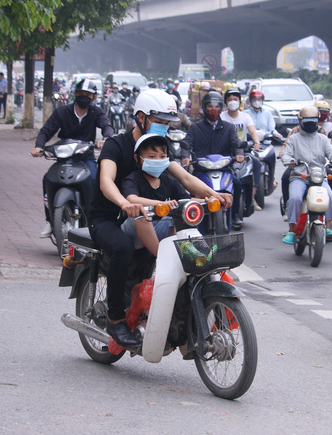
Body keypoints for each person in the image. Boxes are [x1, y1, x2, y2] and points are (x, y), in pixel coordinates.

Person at [88, 89, 231, 347]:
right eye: (161, 122)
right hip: (108, 218)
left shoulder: (158, 151)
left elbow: (186, 179)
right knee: (121, 247)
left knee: (187, 240)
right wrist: (123, 203)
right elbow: (106, 181)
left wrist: (214, 194)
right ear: (141, 117)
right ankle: (116, 318)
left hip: (149, 219)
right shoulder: (116, 146)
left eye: (168, 123)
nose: (165, 128)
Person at [31, 79, 113, 238]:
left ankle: (96, 218)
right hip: (64, 158)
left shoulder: (97, 112)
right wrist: (39, 146)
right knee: (47, 179)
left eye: (88, 94)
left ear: (94, 97)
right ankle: (50, 221)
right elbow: (46, 131)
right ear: (75, 94)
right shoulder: (62, 112)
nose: (84, 97)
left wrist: (106, 138)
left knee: (95, 178)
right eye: (81, 93)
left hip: (86, 158)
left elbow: (107, 126)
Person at [121, 134, 197, 257]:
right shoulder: (133, 179)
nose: (157, 160)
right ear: (138, 158)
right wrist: (161, 204)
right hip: (133, 233)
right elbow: (132, 199)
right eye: (152, 156)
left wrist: (207, 199)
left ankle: (182, 253)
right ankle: (162, 258)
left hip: (159, 228)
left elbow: (186, 200)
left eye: (162, 156)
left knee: (180, 214)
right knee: (141, 216)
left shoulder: (169, 180)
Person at [181, 91, 245, 228]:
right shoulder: (195, 127)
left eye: (217, 106)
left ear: (221, 108)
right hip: (201, 170)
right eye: (210, 106)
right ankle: (193, 215)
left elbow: (236, 143)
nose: (213, 110)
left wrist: (239, 154)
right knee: (190, 189)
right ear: (204, 108)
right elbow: (187, 144)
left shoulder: (228, 127)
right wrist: (185, 157)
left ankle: (234, 216)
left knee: (238, 184)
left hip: (224, 169)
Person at [281, 106, 332, 244]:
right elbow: (286, 155)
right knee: (295, 198)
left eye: (313, 121)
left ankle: (327, 227)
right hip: (300, 176)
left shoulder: (322, 139)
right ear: (301, 122)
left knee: (329, 195)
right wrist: (290, 161)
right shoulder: (294, 139)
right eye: (307, 122)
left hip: (319, 176)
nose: (310, 125)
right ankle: (292, 230)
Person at [221, 88, 263, 212]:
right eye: (230, 100)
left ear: (240, 102)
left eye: (235, 99)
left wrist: (256, 142)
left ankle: (252, 196)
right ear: (225, 103)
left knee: (255, 162)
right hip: (225, 152)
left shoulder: (245, 117)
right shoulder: (221, 117)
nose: (232, 102)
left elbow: (252, 131)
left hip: (242, 151)